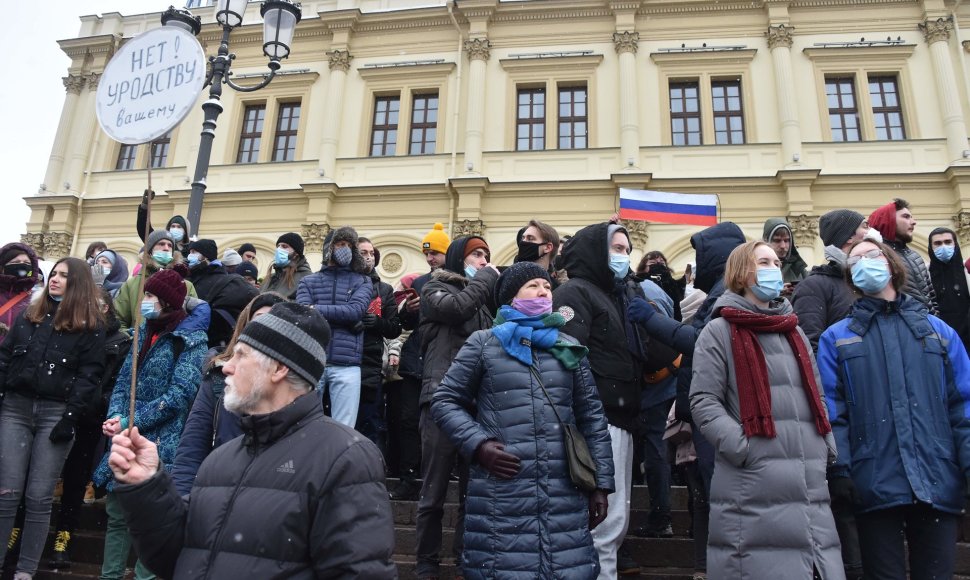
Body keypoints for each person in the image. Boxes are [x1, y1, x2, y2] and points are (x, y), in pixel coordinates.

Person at [107, 302, 396, 578]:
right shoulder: (219, 460)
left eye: (241, 355)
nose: (226, 367)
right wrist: (147, 486)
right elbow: (181, 560)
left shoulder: (345, 458)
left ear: (279, 368)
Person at [431, 261, 614, 579]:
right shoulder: (484, 344)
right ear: (511, 297)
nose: (543, 291)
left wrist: (601, 485)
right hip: (502, 493)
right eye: (533, 286)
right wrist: (479, 445)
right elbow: (445, 401)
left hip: (564, 493)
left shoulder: (567, 347)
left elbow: (592, 418)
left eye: (547, 287)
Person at [689, 241, 843, 579]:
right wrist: (746, 447)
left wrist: (825, 445)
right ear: (742, 272)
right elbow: (703, 402)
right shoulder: (719, 331)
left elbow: (815, 395)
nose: (774, 267)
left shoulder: (794, 331)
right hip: (752, 481)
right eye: (763, 261)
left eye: (776, 261)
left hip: (807, 479)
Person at [818, 239, 970, 580]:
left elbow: (963, 403)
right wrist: (840, 469)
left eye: (872, 255)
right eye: (855, 260)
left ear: (891, 264)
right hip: (873, 481)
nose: (864, 262)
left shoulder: (937, 331)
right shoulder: (836, 338)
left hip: (936, 477)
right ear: (851, 277)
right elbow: (832, 408)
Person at [626, 221, 747, 579]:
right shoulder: (723, 291)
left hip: (721, 413)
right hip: (711, 410)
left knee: (718, 496)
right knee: (708, 495)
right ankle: (706, 566)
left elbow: (701, 340)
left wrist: (652, 320)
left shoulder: (726, 293)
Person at [93, 269, 211, 580]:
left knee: (152, 519)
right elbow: (123, 382)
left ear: (167, 302)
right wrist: (117, 417)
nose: (143, 301)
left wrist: (132, 421)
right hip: (127, 433)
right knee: (117, 514)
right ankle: (110, 575)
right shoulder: (143, 331)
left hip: (162, 443)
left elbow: (180, 395)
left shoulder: (191, 340)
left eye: (149, 296)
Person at [0, 257, 106, 580]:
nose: (55, 279)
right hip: (16, 407)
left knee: (39, 496)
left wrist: (70, 417)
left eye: (64, 275)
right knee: (7, 492)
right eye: (53, 274)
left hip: (55, 413)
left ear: (79, 284)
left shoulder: (91, 327)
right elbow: (5, 358)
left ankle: (25, 571)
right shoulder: (30, 316)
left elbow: (90, 376)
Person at [552, 221, 642, 580]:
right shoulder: (575, 292)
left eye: (627, 250)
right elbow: (568, 356)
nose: (625, 257)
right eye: (617, 249)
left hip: (621, 418)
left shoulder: (617, 296)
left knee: (613, 522)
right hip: (598, 421)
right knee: (600, 523)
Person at [415, 234, 499, 579]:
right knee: (433, 493)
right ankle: (425, 563)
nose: (482, 260)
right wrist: (485, 279)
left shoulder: (482, 304)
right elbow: (456, 309)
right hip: (439, 400)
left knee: (472, 493)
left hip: (475, 407)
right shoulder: (436, 291)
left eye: (485, 255)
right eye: (476, 254)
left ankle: (465, 557)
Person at [171, 292, 287, 496]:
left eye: (275, 322)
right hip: (218, 499)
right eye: (259, 320)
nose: (265, 330)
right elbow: (191, 452)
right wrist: (183, 507)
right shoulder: (218, 378)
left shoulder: (295, 388)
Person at [49, 288, 132, 568]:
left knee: (75, 477)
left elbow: (115, 381)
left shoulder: (119, 341)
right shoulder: (68, 332)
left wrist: (94, 402)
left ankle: (64, 535)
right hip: (57, 411)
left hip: (88, 417)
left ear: (106, 308)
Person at [389, 223, 451, 501]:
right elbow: (406, 324)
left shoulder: (460, 282)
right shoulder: (419, 283)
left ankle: (441, 473)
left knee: (443, 420)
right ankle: (409, 476)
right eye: (427, 254)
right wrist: (408, 311)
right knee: (408, 420)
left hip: (445, 361)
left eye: (436, 253)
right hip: (416, 360)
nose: (430, 259)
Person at [296, 227, 372, 427]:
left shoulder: (363, 280)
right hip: (313, 361)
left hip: (347, 364)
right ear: (329, 248)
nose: (345, 249)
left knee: (344, 428)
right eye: (340, 244)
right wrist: (341, 314)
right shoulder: (308, 281)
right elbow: (304, 315)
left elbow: (355, 311)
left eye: (349, 245)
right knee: (304, 424)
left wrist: (315, 308)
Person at [790, 209, 868, 352]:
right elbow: (810, 346)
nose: (871, 232)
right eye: (865, 226)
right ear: (849, 236)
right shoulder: (813, 286)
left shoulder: (868, 281)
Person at [357, 237, 402, 444]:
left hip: (371, 366)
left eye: (371, 254)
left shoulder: (384, 290)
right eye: (363, 253)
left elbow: (394, 328)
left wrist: (376, 322)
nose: (368, 258)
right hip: (342, 360)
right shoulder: (342, 284)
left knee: (370, 423)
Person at [114, 229, 197, 332]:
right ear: (150, 250)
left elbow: (194, 320)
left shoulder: (185, 285)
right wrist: (131, 339)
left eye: (170, 245)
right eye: (161, 244)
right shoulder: (131, 284)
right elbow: (118, 320)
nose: (166, 248)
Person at [867, 198, 938, 313]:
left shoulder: (915, 256)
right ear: (887, 221)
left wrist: (936, 318)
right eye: (906, 216)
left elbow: (931, 296)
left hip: (928, 324)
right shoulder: (877, 256)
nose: (913, 222)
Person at [186, 239, 259, 349]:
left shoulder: (213, 280)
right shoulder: (195, 276)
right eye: (190, 252)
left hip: (209, 343)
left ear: (206, 256)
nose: (190, 256)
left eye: (194, 252)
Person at [928, 227, 970, 352]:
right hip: (943, 341)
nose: (943, 246)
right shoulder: (924, 273)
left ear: (955, 244)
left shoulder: (967, 270)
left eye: (947, 242)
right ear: (930, 247)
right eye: (938, 243)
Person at [0, 242, 40, 342]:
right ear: (3, 268)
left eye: (27, 263)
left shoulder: (37, 299)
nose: (22, 265)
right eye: (15, 262)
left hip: (14, 355)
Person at [136, 189, 191, 255]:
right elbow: (144, 229)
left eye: (179, 227)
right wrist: (145, 206)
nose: (175, 229)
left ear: (185, 231)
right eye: (173, 226)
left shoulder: (191, 250)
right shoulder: (160, 239)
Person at [635, 250, 685, 321]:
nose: (658, 265)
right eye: (652, 263)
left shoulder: (675, 285)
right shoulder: (638, 283)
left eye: (662, 263)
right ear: (643, 268)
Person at [762, 218, 808, 292]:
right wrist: (777, 293)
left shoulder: (799, 270)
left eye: (786, 240)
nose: (783, 246)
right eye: (777, 240)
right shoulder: (758, 268)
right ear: (767, 241)